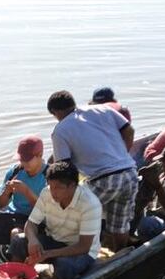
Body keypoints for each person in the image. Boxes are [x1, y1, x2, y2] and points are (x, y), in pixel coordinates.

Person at [47, 89, 137, 252]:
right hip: (129, 173)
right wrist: (122, 154)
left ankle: (74, 255)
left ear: (56, 112)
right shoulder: (103, 109)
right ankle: (121, 254)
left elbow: (64, 170)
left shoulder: (60, 130)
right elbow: (129, 131)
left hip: (104, 179)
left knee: (70, 216)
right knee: (120, 223)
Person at [8, 160, 101, 279]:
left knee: (64, 265)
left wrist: (48, 254)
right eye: (50, 186)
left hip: (80, 251)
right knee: (18, 241)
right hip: (53, 240)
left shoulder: (90, 204)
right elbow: (31, 223)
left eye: (58, 188)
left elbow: (84, 246)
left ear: (73, 185)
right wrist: (32, 240)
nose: (53, 192)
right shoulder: (47, 193)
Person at [0, 135, 48, 246]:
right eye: (21, 159)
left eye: (28, 160)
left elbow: (46, 212)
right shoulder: (15, 171)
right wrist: (6, 192)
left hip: (33, 220)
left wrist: (26, 192)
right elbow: (0, 205)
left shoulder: (48, 177)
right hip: (12, 215)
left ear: (40, 155)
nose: (24, 163)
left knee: (16, 234)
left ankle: (13, 260)